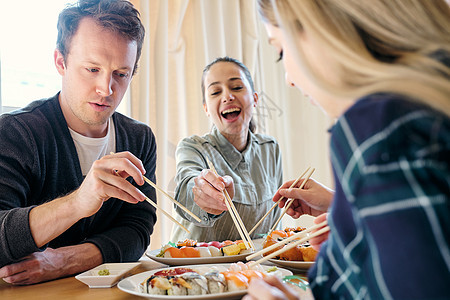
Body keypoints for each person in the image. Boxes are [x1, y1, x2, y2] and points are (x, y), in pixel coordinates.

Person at [245, 0, 450, 299]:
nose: (288, 80)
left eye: (281, 52)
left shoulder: (377, 128)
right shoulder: (424, 112)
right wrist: (345, 208)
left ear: (324, 30)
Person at [0, 0, 157, 285]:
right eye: (92, 69)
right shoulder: (16, 132)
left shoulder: (139, 139)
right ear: (61, 61)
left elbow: (138, 229)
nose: (106, 89)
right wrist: (78, 203)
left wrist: (64, 261)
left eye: (121, 74)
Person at [171, 56, 283, 242]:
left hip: (254, 269)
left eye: (237, 87)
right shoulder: (193, 147)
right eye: (215, 92)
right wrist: (203, 192)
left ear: (255, 99)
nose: (227, 97)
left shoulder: (270, 149)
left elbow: (275, 224)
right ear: (206, 108)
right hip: (197, 269)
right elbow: (187, 187)